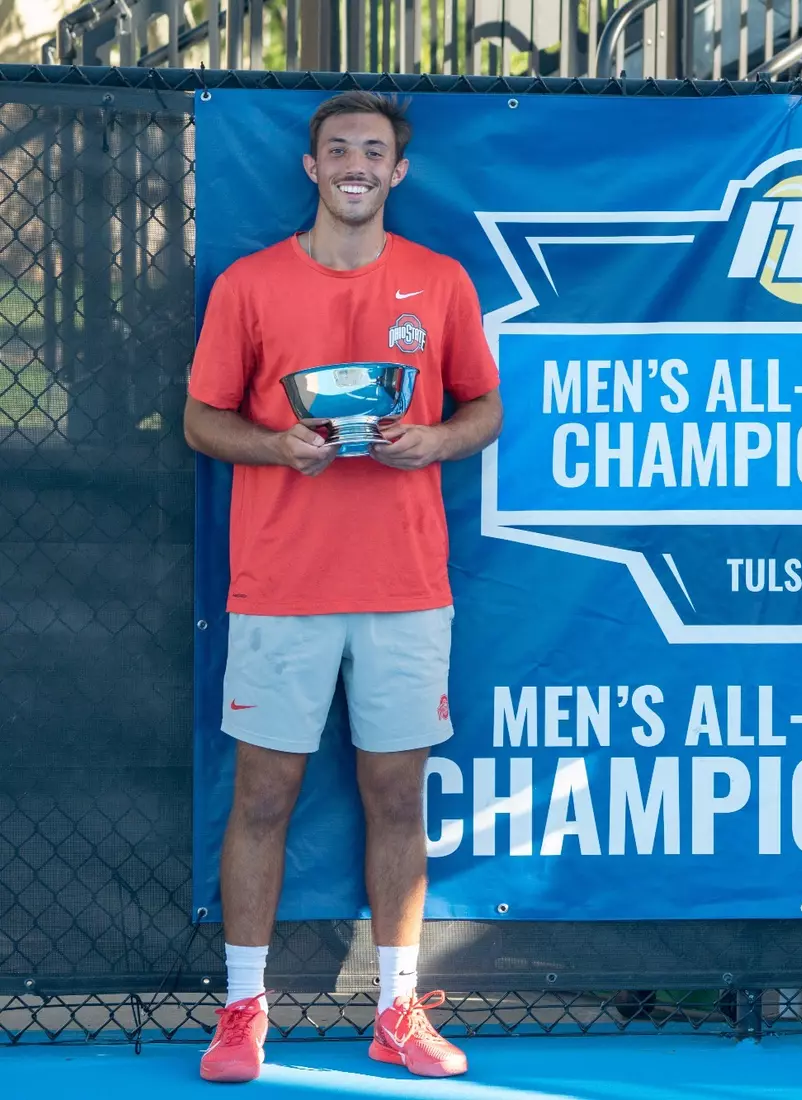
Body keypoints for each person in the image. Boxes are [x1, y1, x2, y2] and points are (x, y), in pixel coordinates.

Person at [183, 91, 503, 1083]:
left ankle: (397, 1010)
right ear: (312, 168)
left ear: (397, 172)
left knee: (395, 793)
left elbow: (483, 406)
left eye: (375, 150)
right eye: (338, 149)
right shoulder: (249, 284)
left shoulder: (440, 283)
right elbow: (202, 421)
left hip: (405, 587)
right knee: (265, 795)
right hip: (279, 586)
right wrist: (277, 444)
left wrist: (435, 440)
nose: (356, 164)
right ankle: (242, 1009)